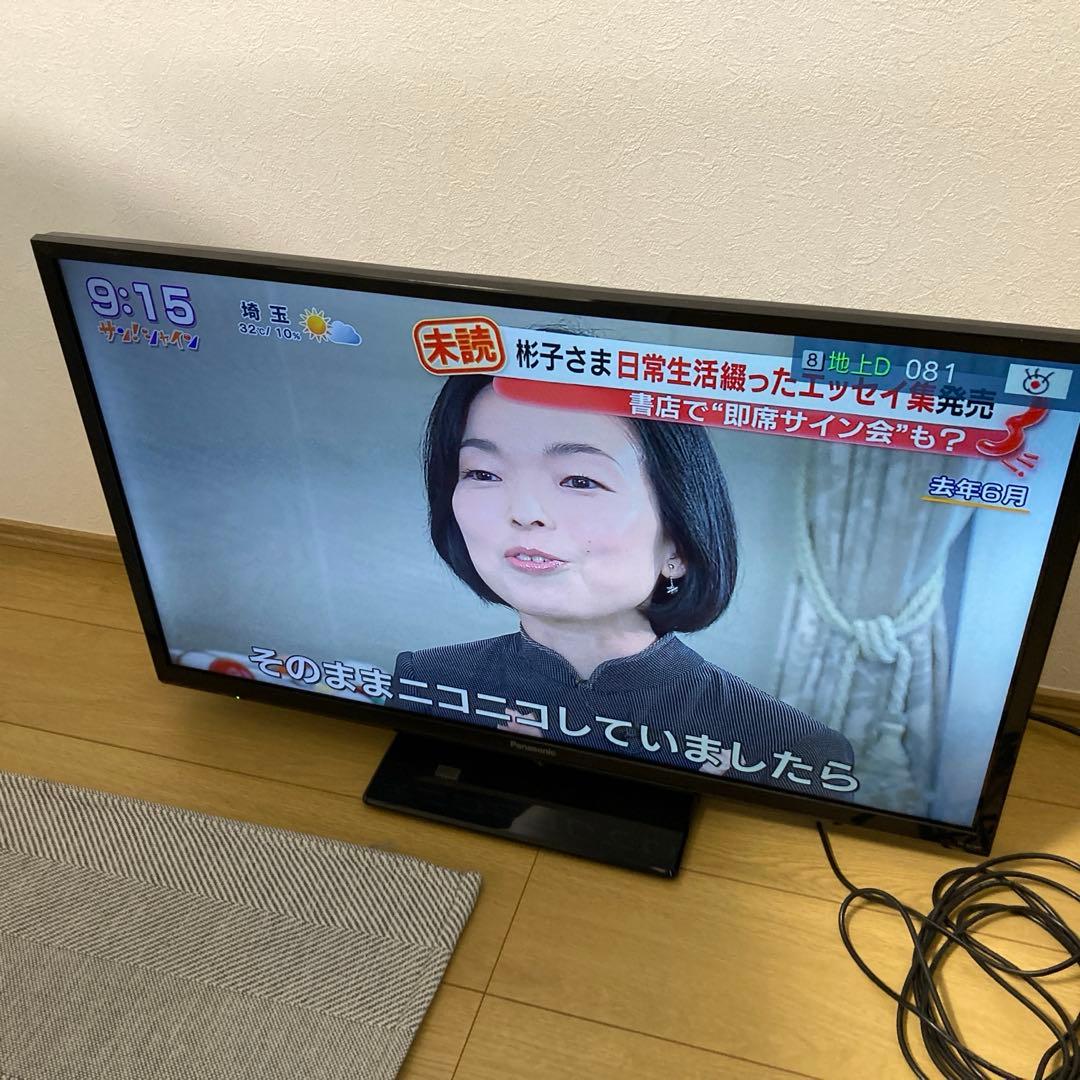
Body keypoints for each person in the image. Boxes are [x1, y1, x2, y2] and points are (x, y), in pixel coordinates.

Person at [393, 373, 856, 801]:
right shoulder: (427, 681)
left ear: (678, 541)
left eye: (579, 480)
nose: (525, 512)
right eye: (483, 473)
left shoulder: (792, 746)